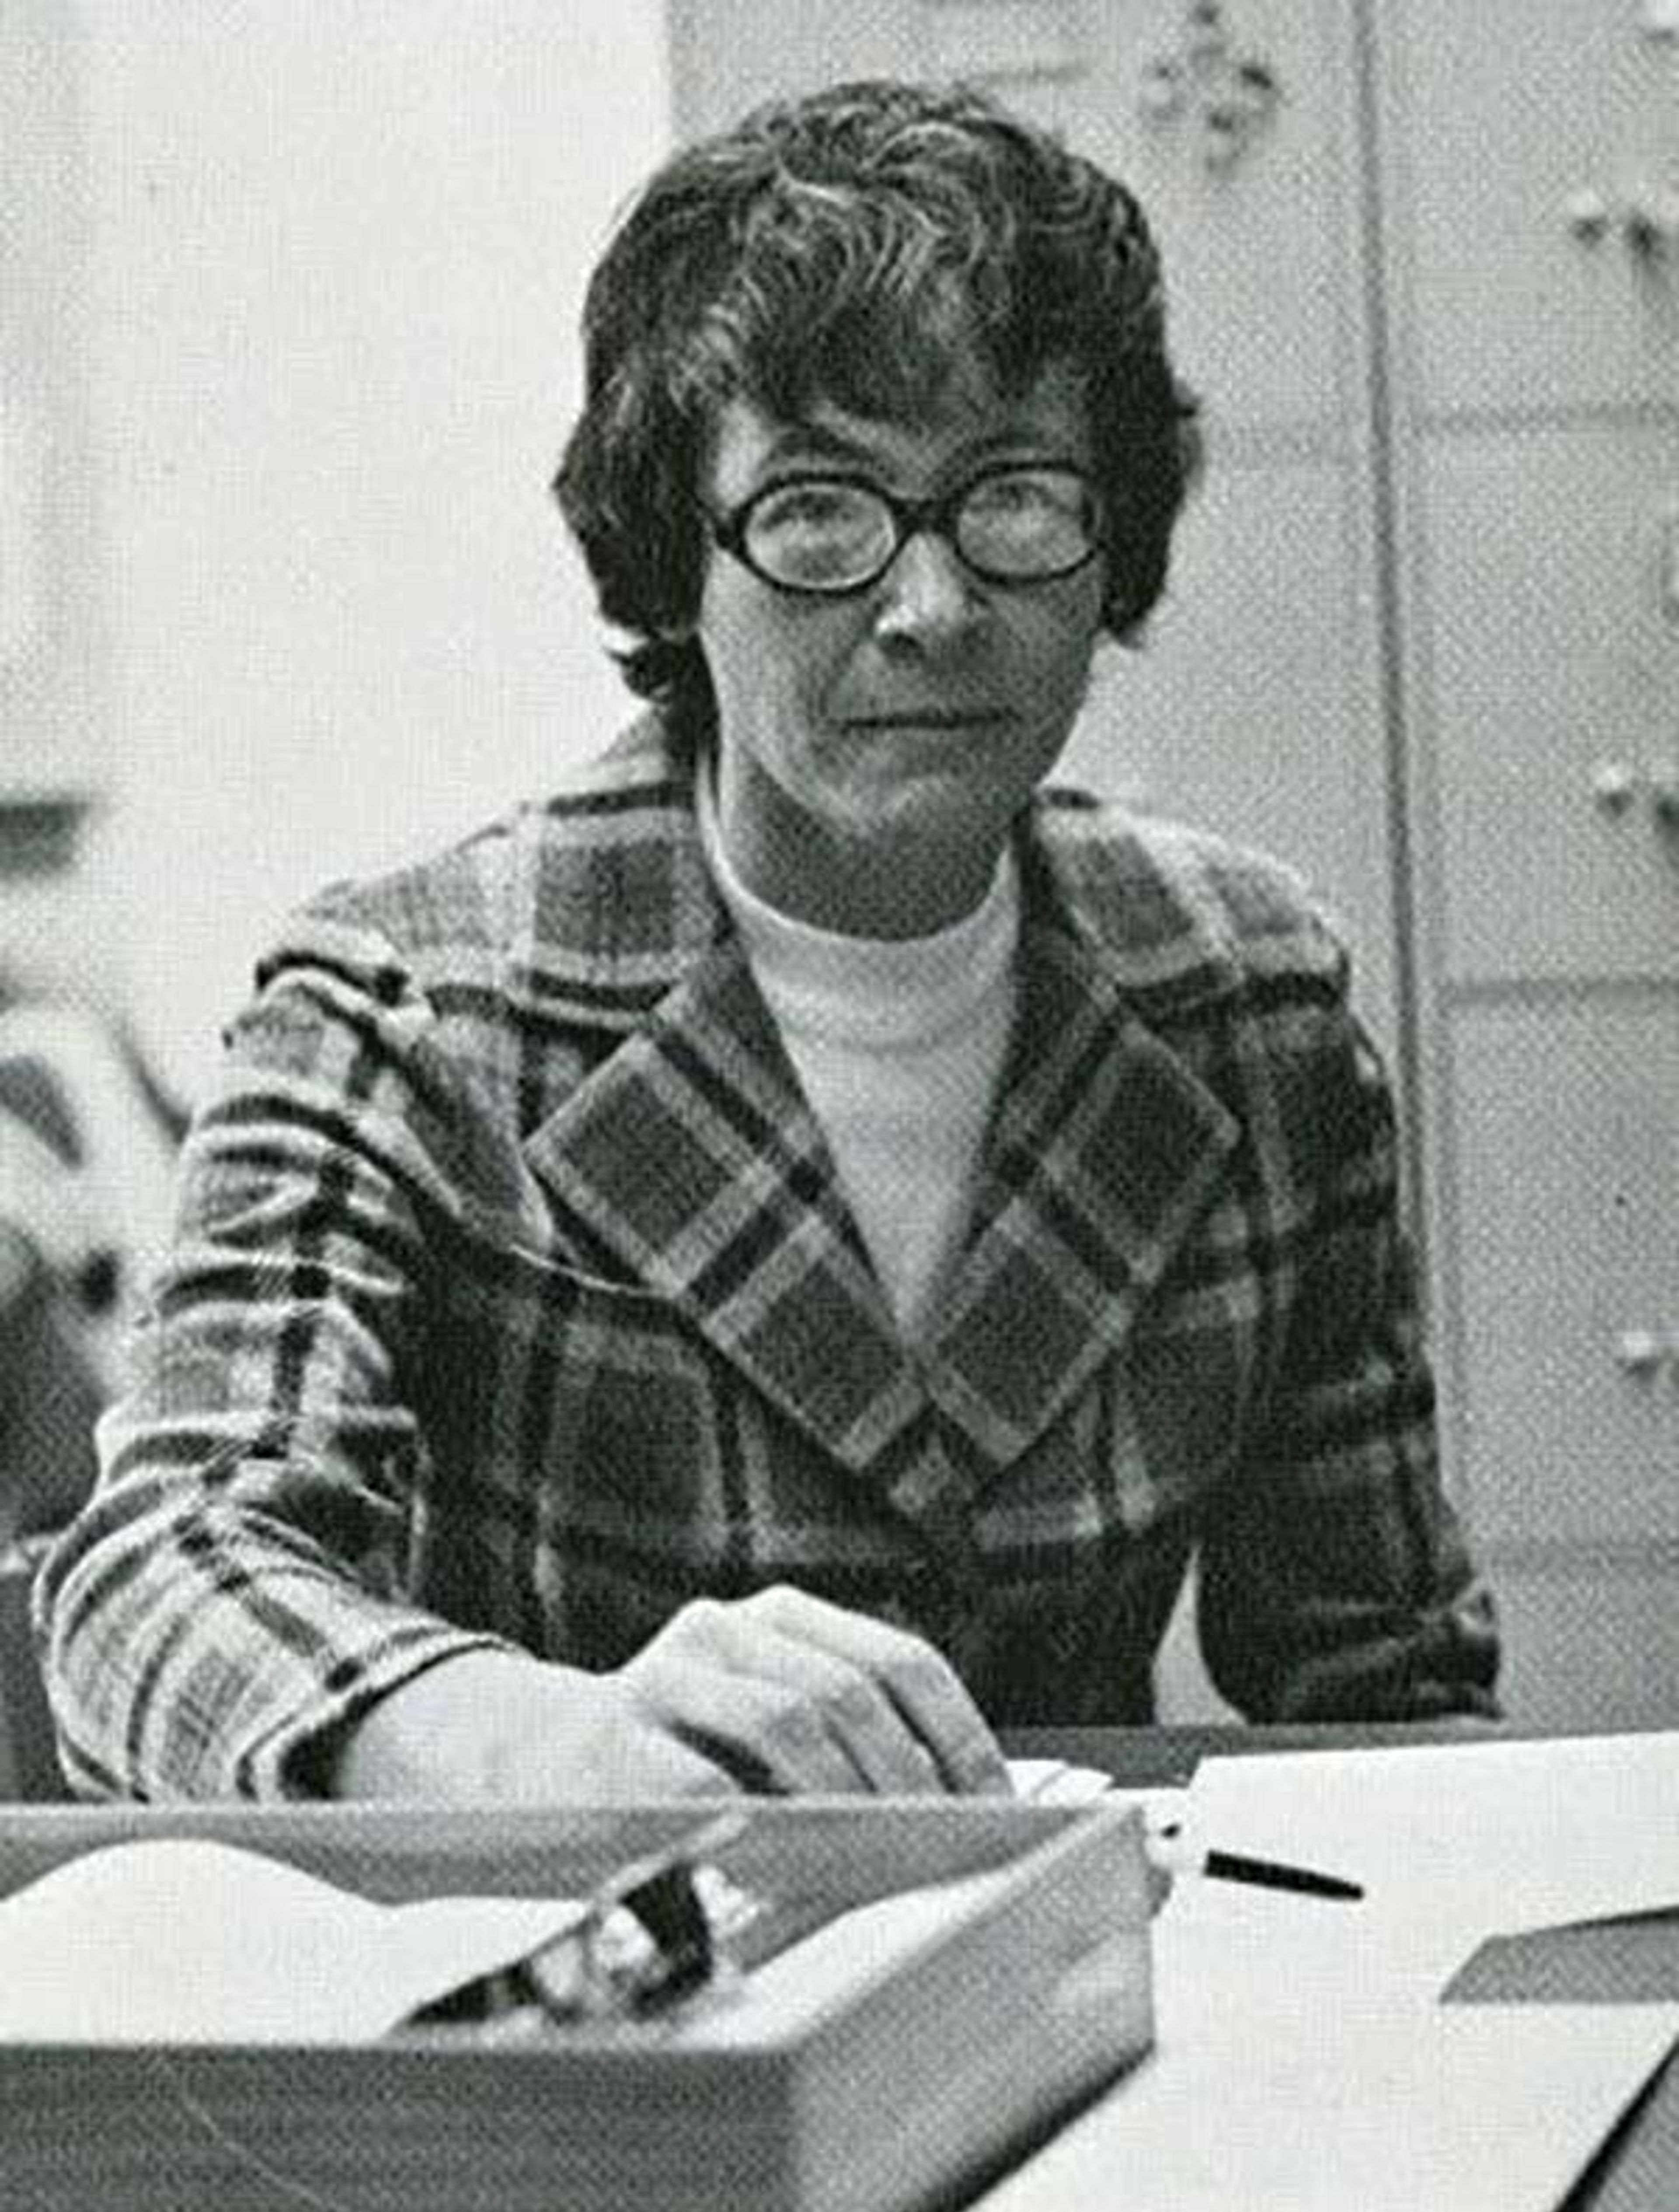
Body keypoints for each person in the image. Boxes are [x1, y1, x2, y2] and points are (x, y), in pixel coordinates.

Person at [37, 78, 1498, 1804]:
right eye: (819, 513)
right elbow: (155, 1581)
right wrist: (522, 1731)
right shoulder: (407, 1006)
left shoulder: (1253, 998)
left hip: (1087, 1995)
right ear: (679, 563)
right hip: (600, 2018)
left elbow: (1386, 1686)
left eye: (1017, 499)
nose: (934, 608)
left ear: (1115, 547)